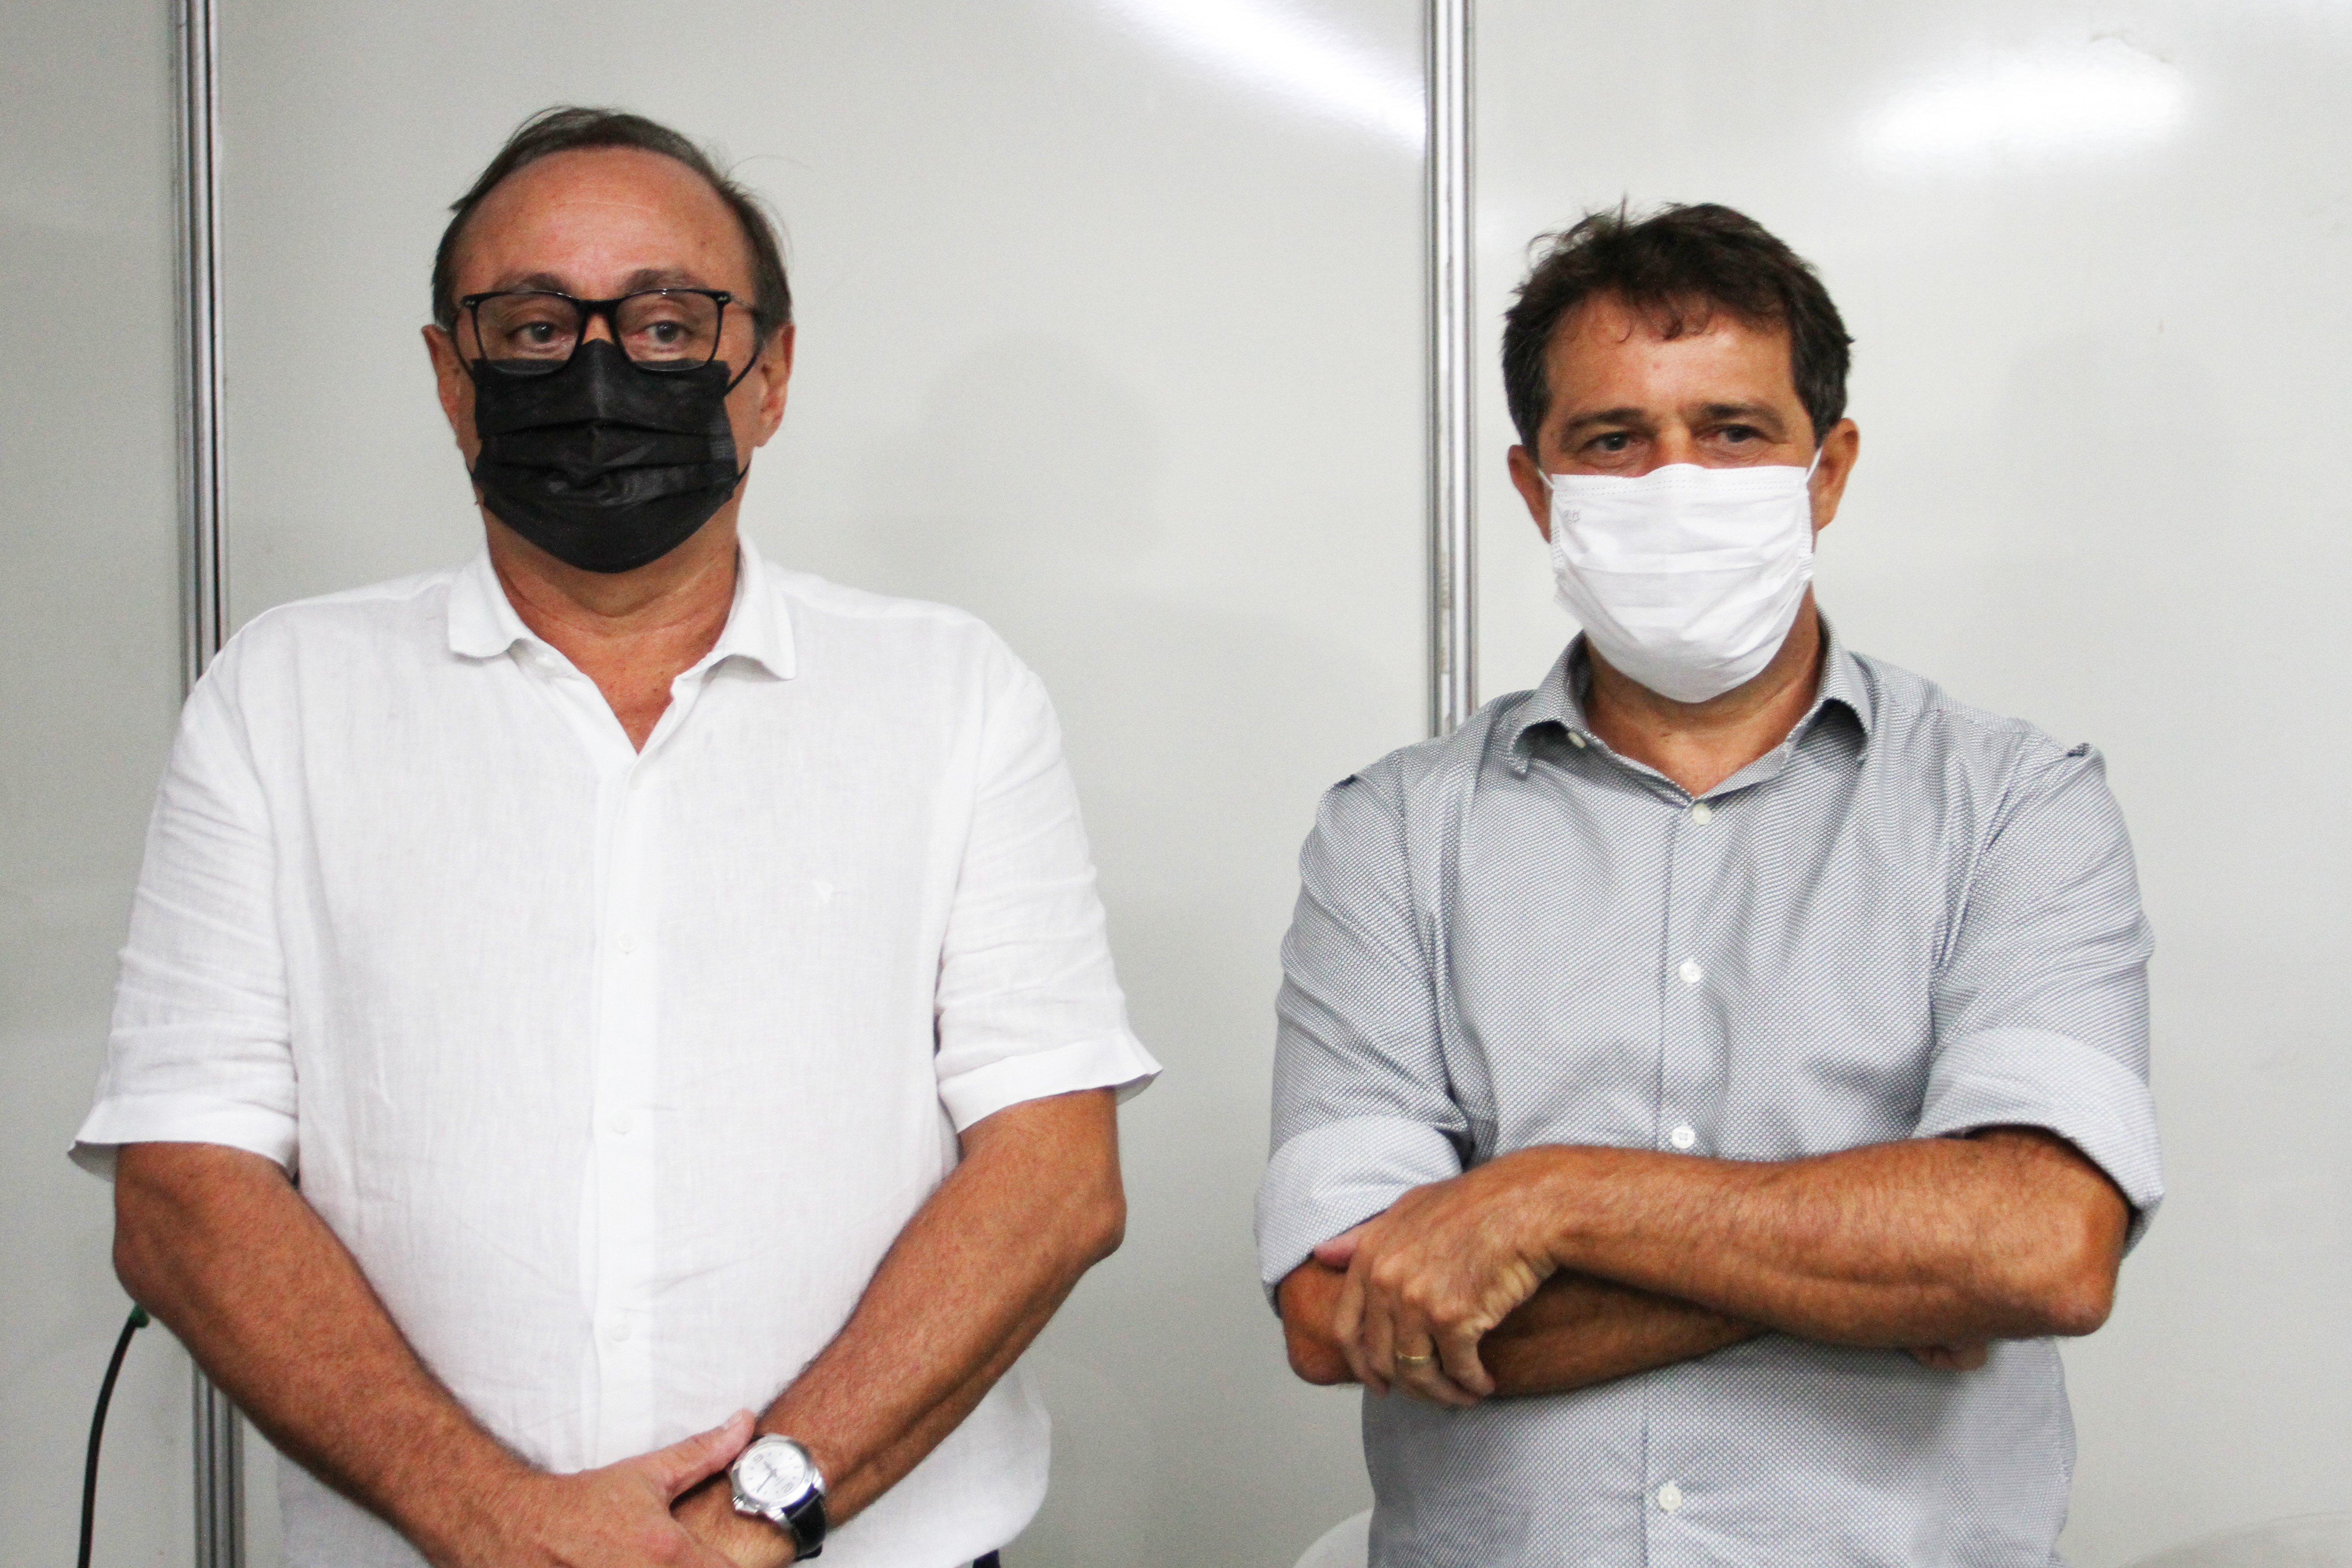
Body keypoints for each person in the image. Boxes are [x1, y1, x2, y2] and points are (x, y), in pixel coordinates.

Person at [74, 106, 1158, 1568]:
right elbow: (184, 1190)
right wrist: (492, 1520)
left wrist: (757, 1515)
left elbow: (1053, 1178)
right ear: (451, 379)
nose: (597, 376)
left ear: (770, 375)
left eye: (665, 326)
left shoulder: (956, 696)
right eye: (532, 329)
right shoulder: (280, 702)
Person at [1259, 203, 2159, 1565]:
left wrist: (1547, 1199)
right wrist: (1896, 1264)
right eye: (1613, 441)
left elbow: (2039, 1251)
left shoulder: (2015, 803)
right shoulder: (1392, 832)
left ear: (1827, 470)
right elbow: (1339, 1316)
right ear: (1536, 489)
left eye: (1733, 432)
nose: (1676, 479)